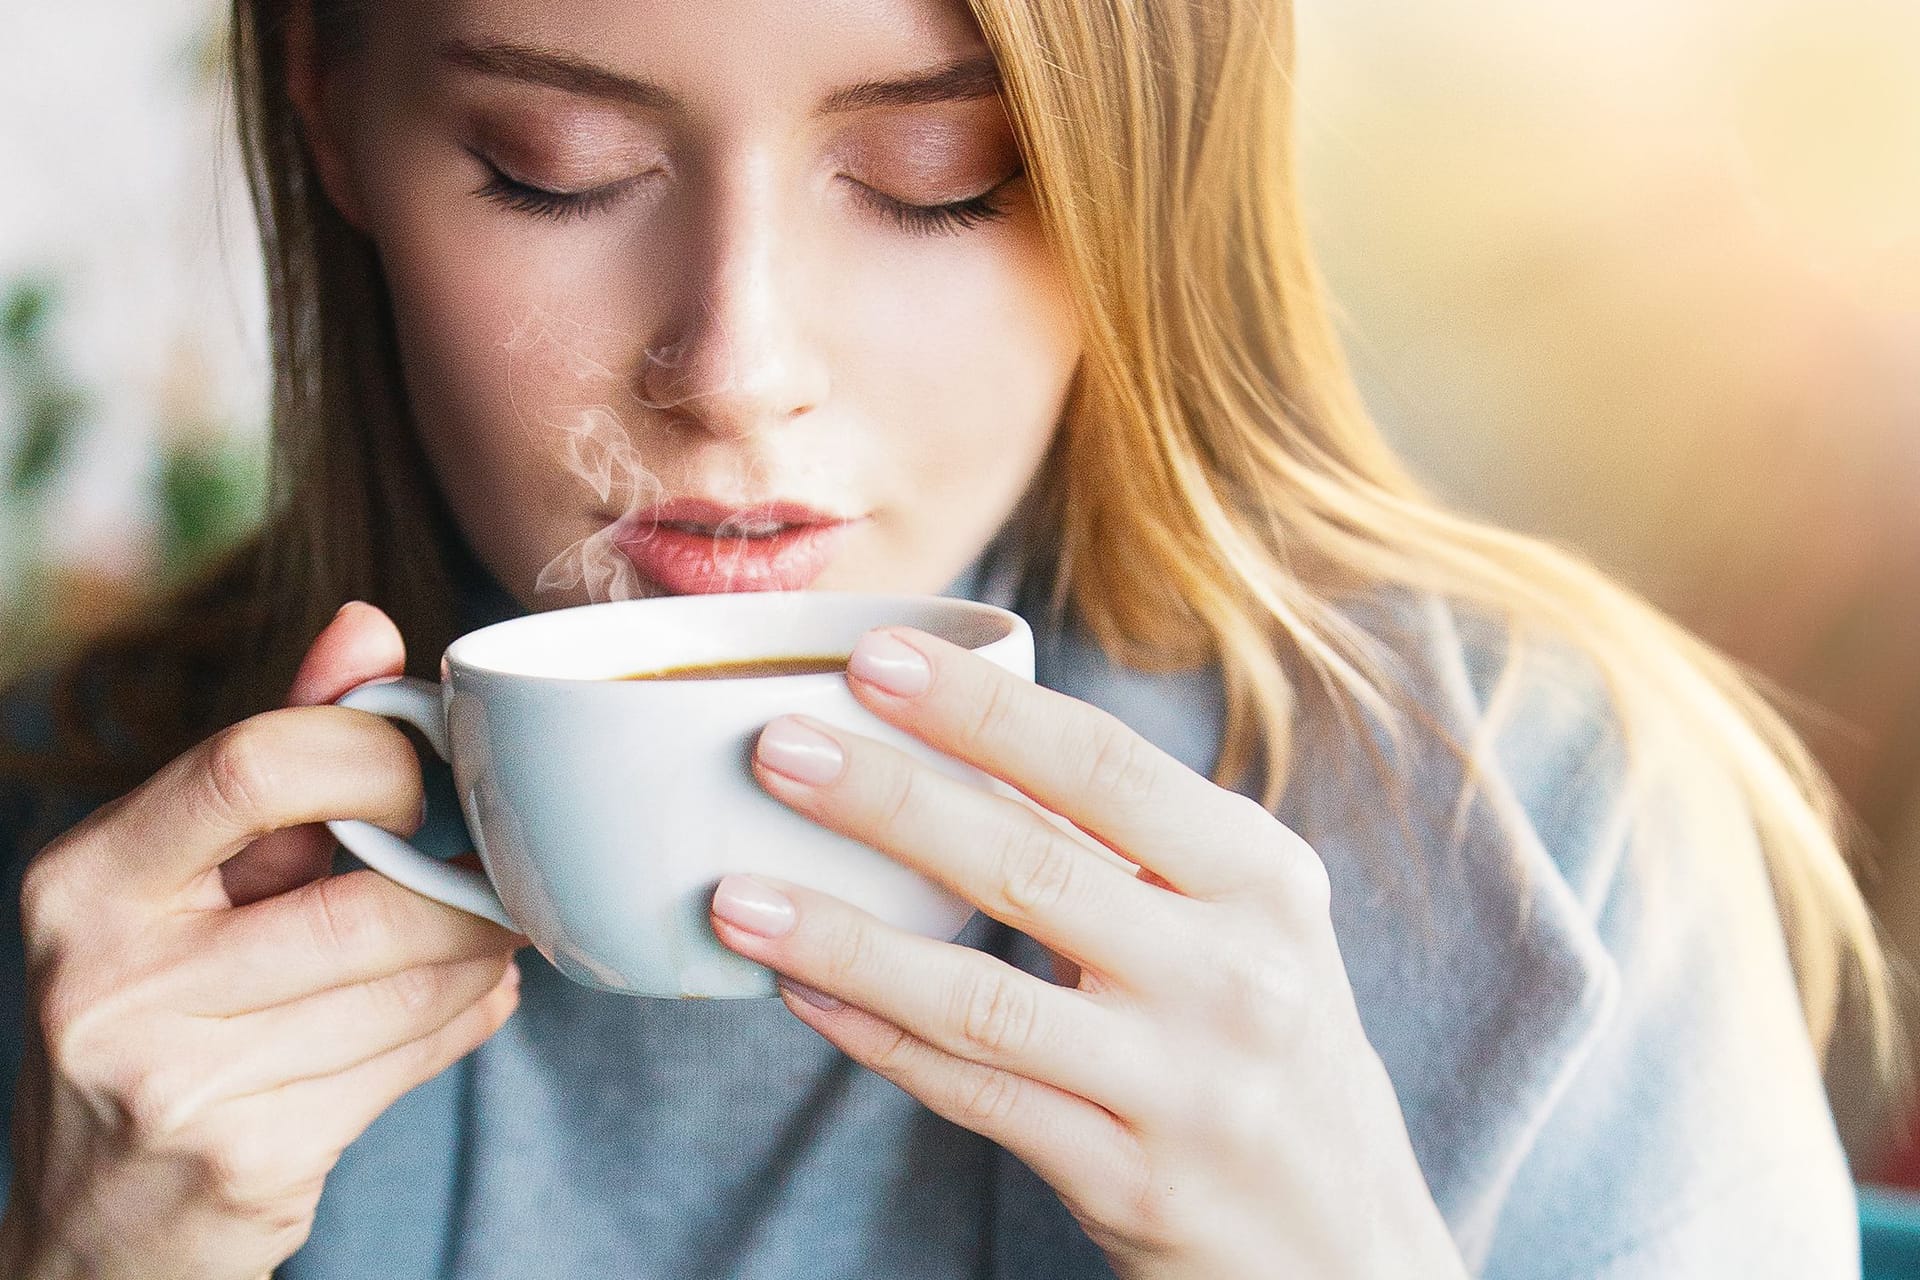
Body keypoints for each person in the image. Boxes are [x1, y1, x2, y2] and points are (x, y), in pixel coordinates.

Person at [0, 0, 1891, 1276]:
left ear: (1137, 183)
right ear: (330, 125)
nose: (740, 370)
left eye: (941, 178)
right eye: (555, 163)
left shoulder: (1545, 821)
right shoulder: (74, 878)